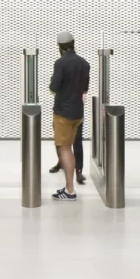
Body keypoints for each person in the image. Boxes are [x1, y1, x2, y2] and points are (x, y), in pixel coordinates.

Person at [49, 32, 90, 201]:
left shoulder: (60, 63)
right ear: (73, 43)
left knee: (63, 148)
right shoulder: (84, 64)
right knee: (70, 147)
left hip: (63, 113)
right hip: (78, 112)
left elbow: (53, 88)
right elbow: (84, 89)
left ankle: (70, 190)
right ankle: (69, 186)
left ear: (60, 46)